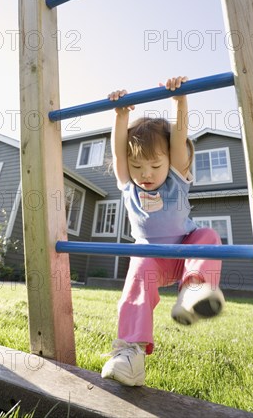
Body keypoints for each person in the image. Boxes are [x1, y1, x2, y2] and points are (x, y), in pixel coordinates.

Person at [101, 76, 225, 387]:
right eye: (138, 166)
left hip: (184, 252)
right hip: (151, 260)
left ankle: (193, 290)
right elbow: (118, 152)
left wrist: (180, 101)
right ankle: (130, 355)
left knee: (208, 237)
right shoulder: (127, 183)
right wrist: (120, 116)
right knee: (137, 278)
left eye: (155, 166)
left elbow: (179, 136)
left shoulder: (175, 177)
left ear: (169, 161)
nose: (145, 174)